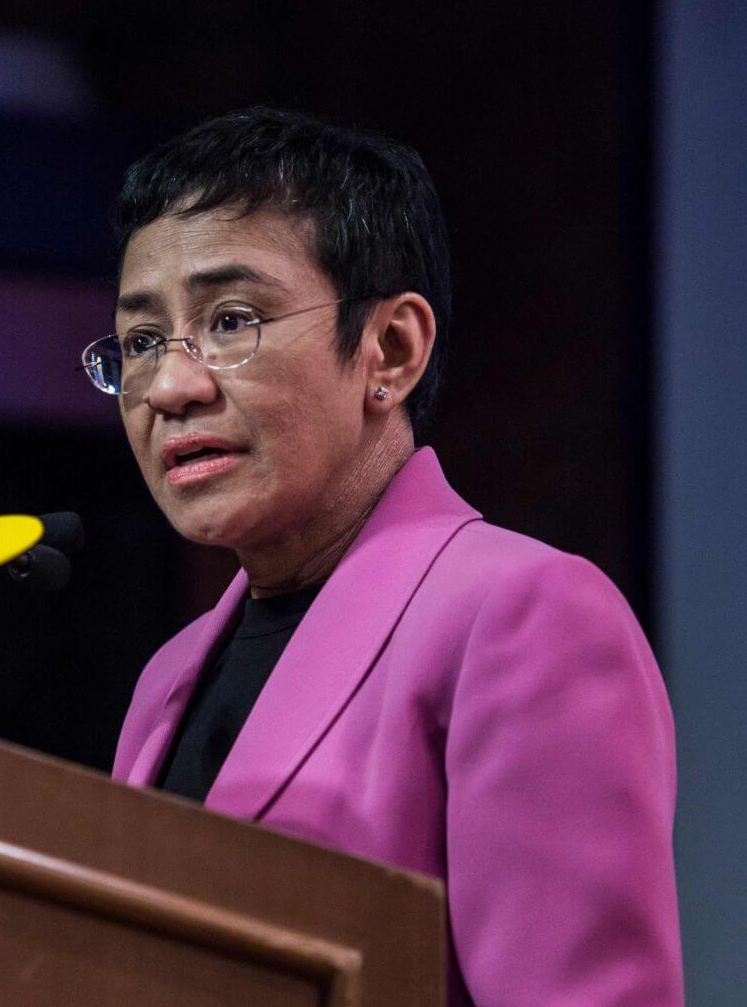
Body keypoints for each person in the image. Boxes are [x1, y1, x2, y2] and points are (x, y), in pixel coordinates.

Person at [85, 107, 682, 1006]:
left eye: (233, 320)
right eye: (140, 342)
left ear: (390, 350)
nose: (169, 385)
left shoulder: (524, 616)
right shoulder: (166, 680)